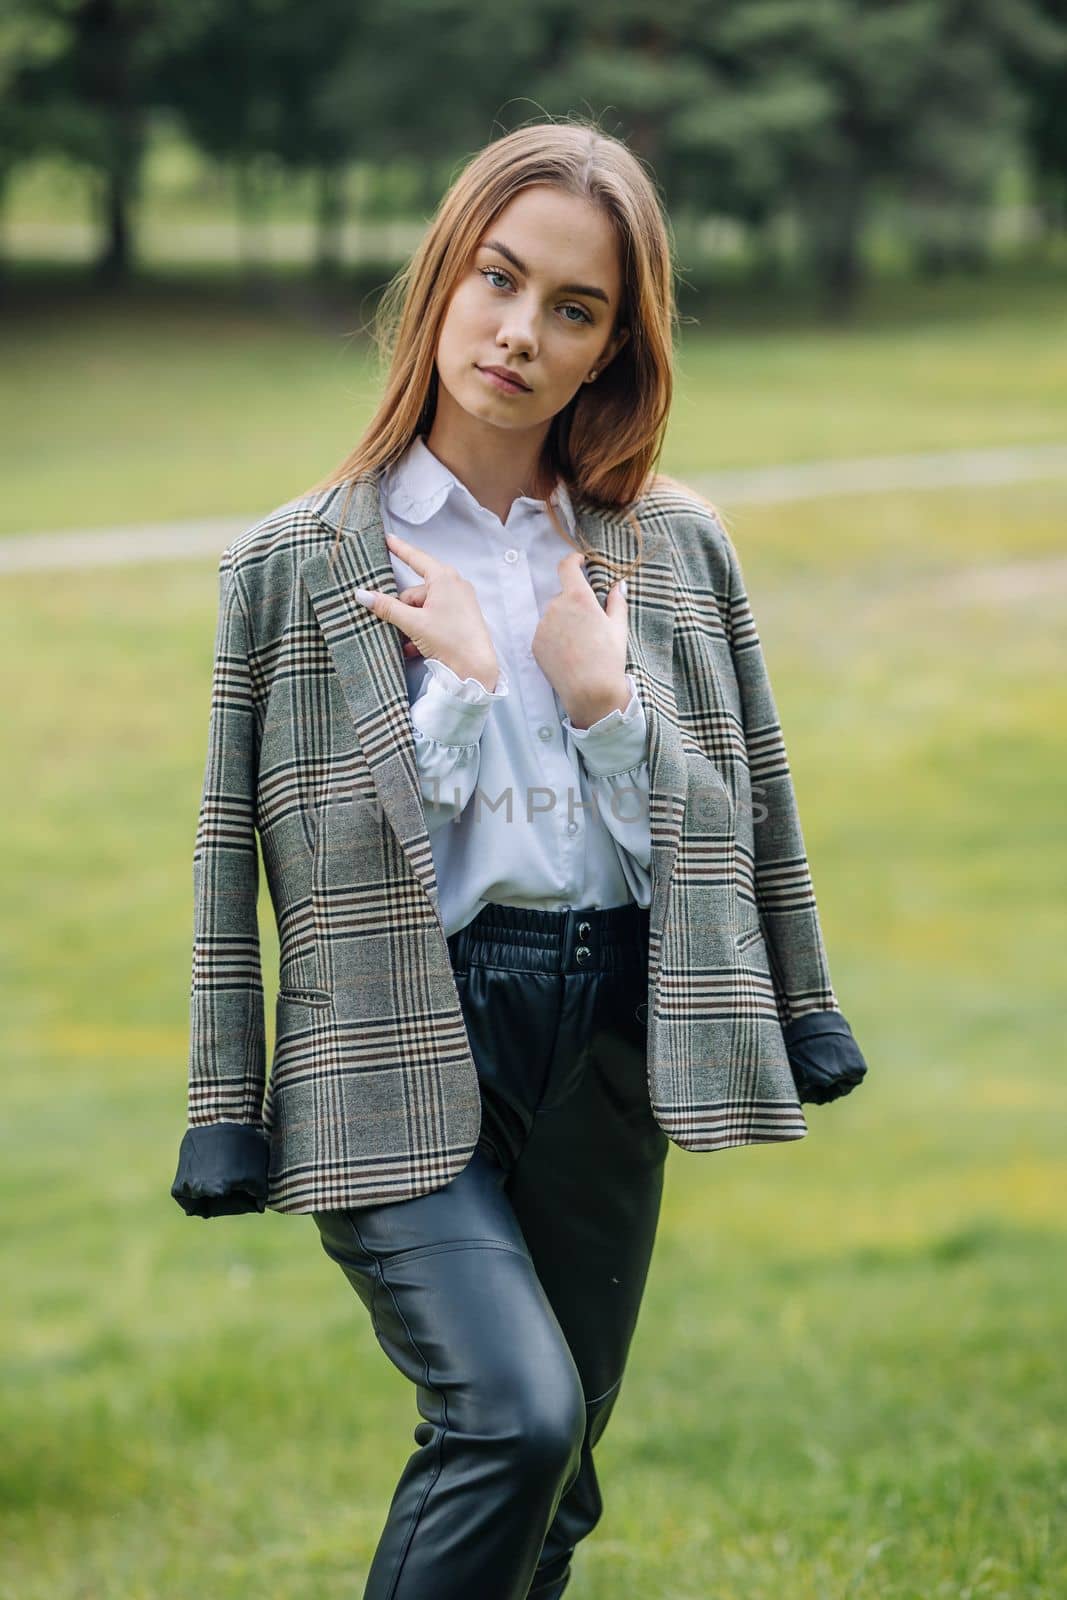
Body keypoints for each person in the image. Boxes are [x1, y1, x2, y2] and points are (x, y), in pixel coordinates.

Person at [171, 118, 869, 1600]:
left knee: (555, 1486)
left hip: (610, 1037)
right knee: (512, 1416)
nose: (520, 333)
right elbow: (229, 860)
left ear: (615, 347)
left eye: (575, 309)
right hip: (394, 1042)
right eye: (500, 278)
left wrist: (604, 701)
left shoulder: (673, 553)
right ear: (441, 276)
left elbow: (750, 816)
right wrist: (223, 1104)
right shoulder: (294, 567)